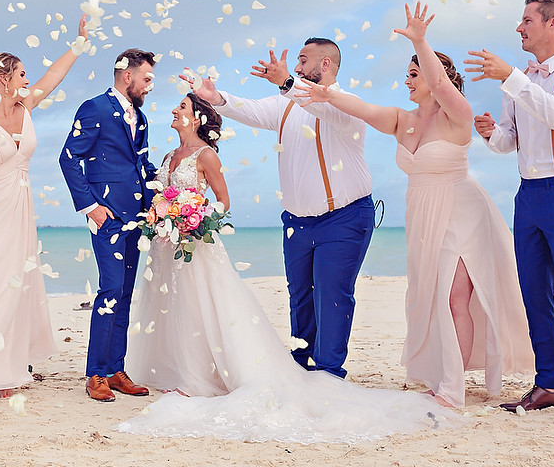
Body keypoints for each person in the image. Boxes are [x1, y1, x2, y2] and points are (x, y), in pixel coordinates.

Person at [117, 93, 456, 444]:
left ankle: (211, 374)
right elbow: (160, 194)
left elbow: (221, 202)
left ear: (199, 117)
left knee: (206, 303)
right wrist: (160, 212)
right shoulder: (170, 156)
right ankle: (176, 365)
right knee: (173, 303)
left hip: (195, 241)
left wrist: (192, 219)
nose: (175, 110)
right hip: (166, 243)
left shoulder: (207, 156)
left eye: (182, 107)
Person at [296, 3, 534, 407]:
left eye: (413, 74)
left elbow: (441, 86)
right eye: (407, 74)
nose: (407, 81)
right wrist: (328, 95)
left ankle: (454, 390)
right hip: (423, 215)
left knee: (455, 296)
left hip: (462, 213)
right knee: (428, 295)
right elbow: (364, 110)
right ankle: (442, 375)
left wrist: (421, 42)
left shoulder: (457, 114)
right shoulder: (402, 120)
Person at [188, 38, 374, 379]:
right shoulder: (285, 105)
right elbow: (250, 109)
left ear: (327, 65)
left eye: (304, 60)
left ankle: (330, 372)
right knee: (300, 296)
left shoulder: (349, 105)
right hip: (297, 223)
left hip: (344, 219)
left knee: (332, 297)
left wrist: (288, 83)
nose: (299, 66)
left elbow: (324, 109)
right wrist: (215, 98)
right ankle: (301, 367)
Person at [465, 0, 554, 426]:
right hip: (529, 196)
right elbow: (512, 142)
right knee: (534, 294)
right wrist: (491, 133)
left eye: (527, 19)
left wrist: (511, 77)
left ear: (553, 24)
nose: (519, 27)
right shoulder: (521, 80)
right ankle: (549, 385)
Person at [0, 14, 90, 407]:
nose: (28, 80)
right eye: (21, 74)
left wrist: (78, 44)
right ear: (2, 79)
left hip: (18, 209)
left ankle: (6, 371)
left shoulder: (25, 106)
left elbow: (52, 77)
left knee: (14, 289)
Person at [60, 48, 158, 402]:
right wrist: (91, 207)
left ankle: (116, 370)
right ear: (127, 75)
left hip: (137, 220)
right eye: (146, 79)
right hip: (108, 218)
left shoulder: (141, 119)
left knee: (125, 295)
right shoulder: (94, 108)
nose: (150, 86)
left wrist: (156, 203)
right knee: (110, 290)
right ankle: (95, 374)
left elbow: (142, 166)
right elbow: (69, 158)